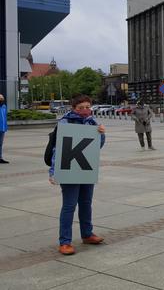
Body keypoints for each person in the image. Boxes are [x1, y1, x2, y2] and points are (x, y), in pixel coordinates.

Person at [48, 94, 106, 255]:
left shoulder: (92, 122)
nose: (85, 110)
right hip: (70, 169)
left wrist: (101, 134)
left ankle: (87, 234)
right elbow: (57, 149)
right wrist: (53, 171)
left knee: (86, 203)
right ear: (74, 108)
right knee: (69, 206)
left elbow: (96, 147)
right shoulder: (65, 122)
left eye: (88, 107)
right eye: (81, 108)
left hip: (86, 169)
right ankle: (65, 241)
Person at [0, 94, 8, 163]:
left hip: (2, 129)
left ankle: (0, 158)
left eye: (2, 98)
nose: (2, 99)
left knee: (0, 144)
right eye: (0, 98)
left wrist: (5, 127)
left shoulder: (4, 106)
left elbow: (5, 117)